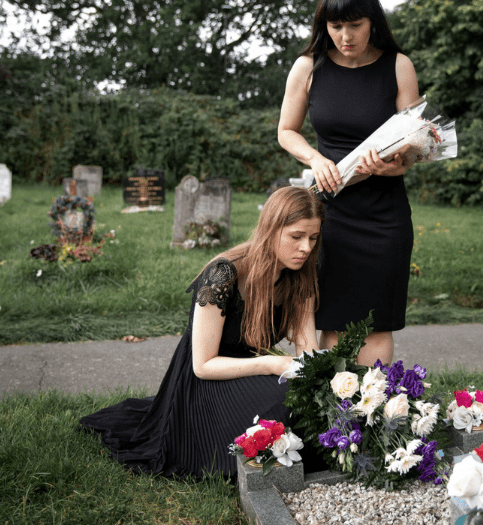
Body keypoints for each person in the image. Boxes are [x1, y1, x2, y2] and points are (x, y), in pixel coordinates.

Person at [80, 186, 324, 479]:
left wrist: (317, 380)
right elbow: (203, 365)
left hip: (251, 369)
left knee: (311, 400)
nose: (306, 248)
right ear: (270, 230)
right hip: (207, 378)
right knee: (283, 406)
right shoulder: (222, 274)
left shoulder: (301, 273)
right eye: (296, 237)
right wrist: (273, 364)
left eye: (313, 238)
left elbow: (307, 349)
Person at [277, 0, 419, 367]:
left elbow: (413, 146)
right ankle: (333, 417)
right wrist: (315, 159)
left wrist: (396, 166)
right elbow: (286, 132)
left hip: (384, 215)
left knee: (377, 322)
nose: (345, 36)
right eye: (335, 26)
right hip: (331, 214)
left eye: (354, 25)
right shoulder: (308, 67)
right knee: (335, 319)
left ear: (372, 20)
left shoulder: (399, 67)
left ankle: (372, 415)